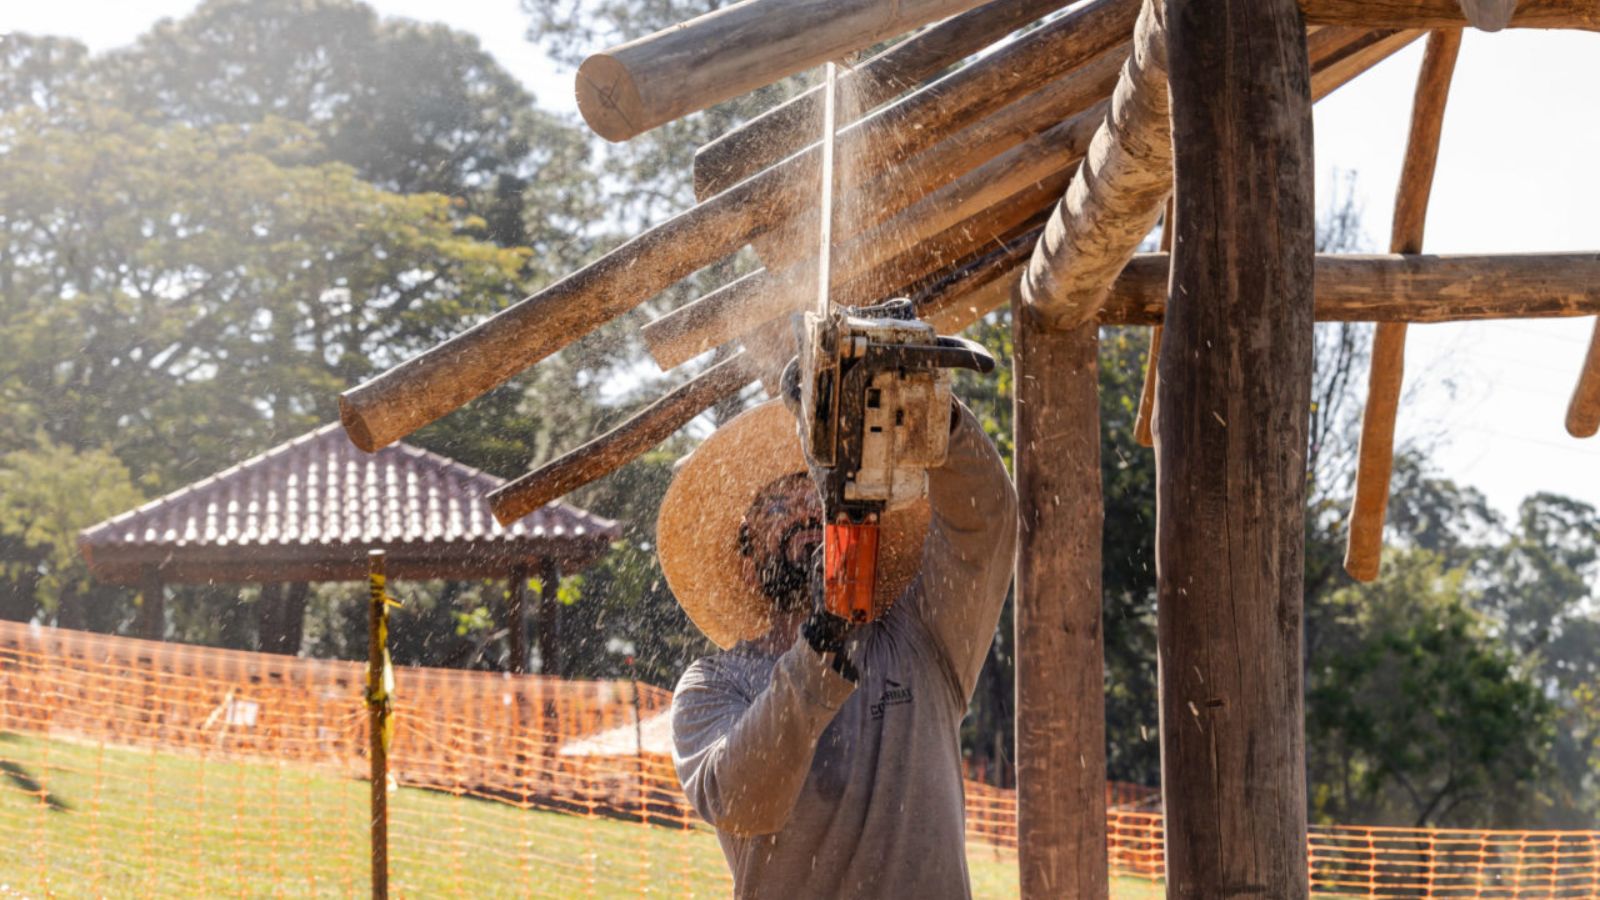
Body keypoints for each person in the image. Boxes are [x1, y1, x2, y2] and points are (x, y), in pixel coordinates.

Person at [656, 395, 1016, 899]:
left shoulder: (920, 637)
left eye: (819, 495)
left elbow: (984, 521)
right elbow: (744, 802)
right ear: (747, 563)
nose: (805, 511)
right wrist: (822, 641)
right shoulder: (713, 684)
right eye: (776, 506)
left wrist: (931, 407)